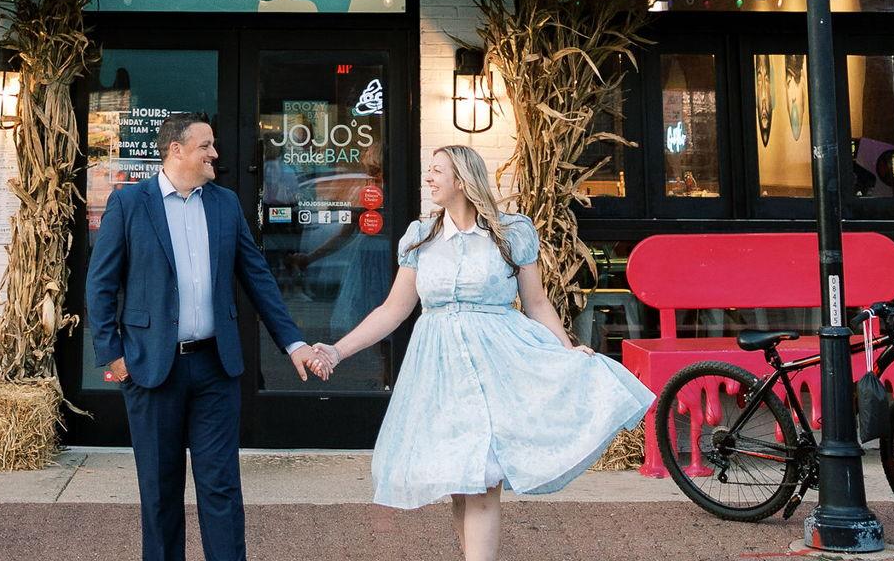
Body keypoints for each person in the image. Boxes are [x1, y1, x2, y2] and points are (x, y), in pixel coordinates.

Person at [307, 145, 653, 561]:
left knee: (485, 478)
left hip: (500, 366)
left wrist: (567, 349)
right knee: (463, 480)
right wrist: (337, 350)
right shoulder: (421, 236)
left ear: (463, 179)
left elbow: (537, 303)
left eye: (437, 171)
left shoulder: (510, 233)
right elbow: (393, 310)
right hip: (440, 373)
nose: (428, 178)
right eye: (429, 170)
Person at [86, 111, 322, 561]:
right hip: (153, 368)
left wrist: (293, 342)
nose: (215, 154)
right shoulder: (130, 203)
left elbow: (258, 277)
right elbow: (101, 283)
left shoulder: (225, 203)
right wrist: (112, 354)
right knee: (159, 492)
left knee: (221, 488)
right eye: (205, 146)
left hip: (215, 367)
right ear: (176, 150)